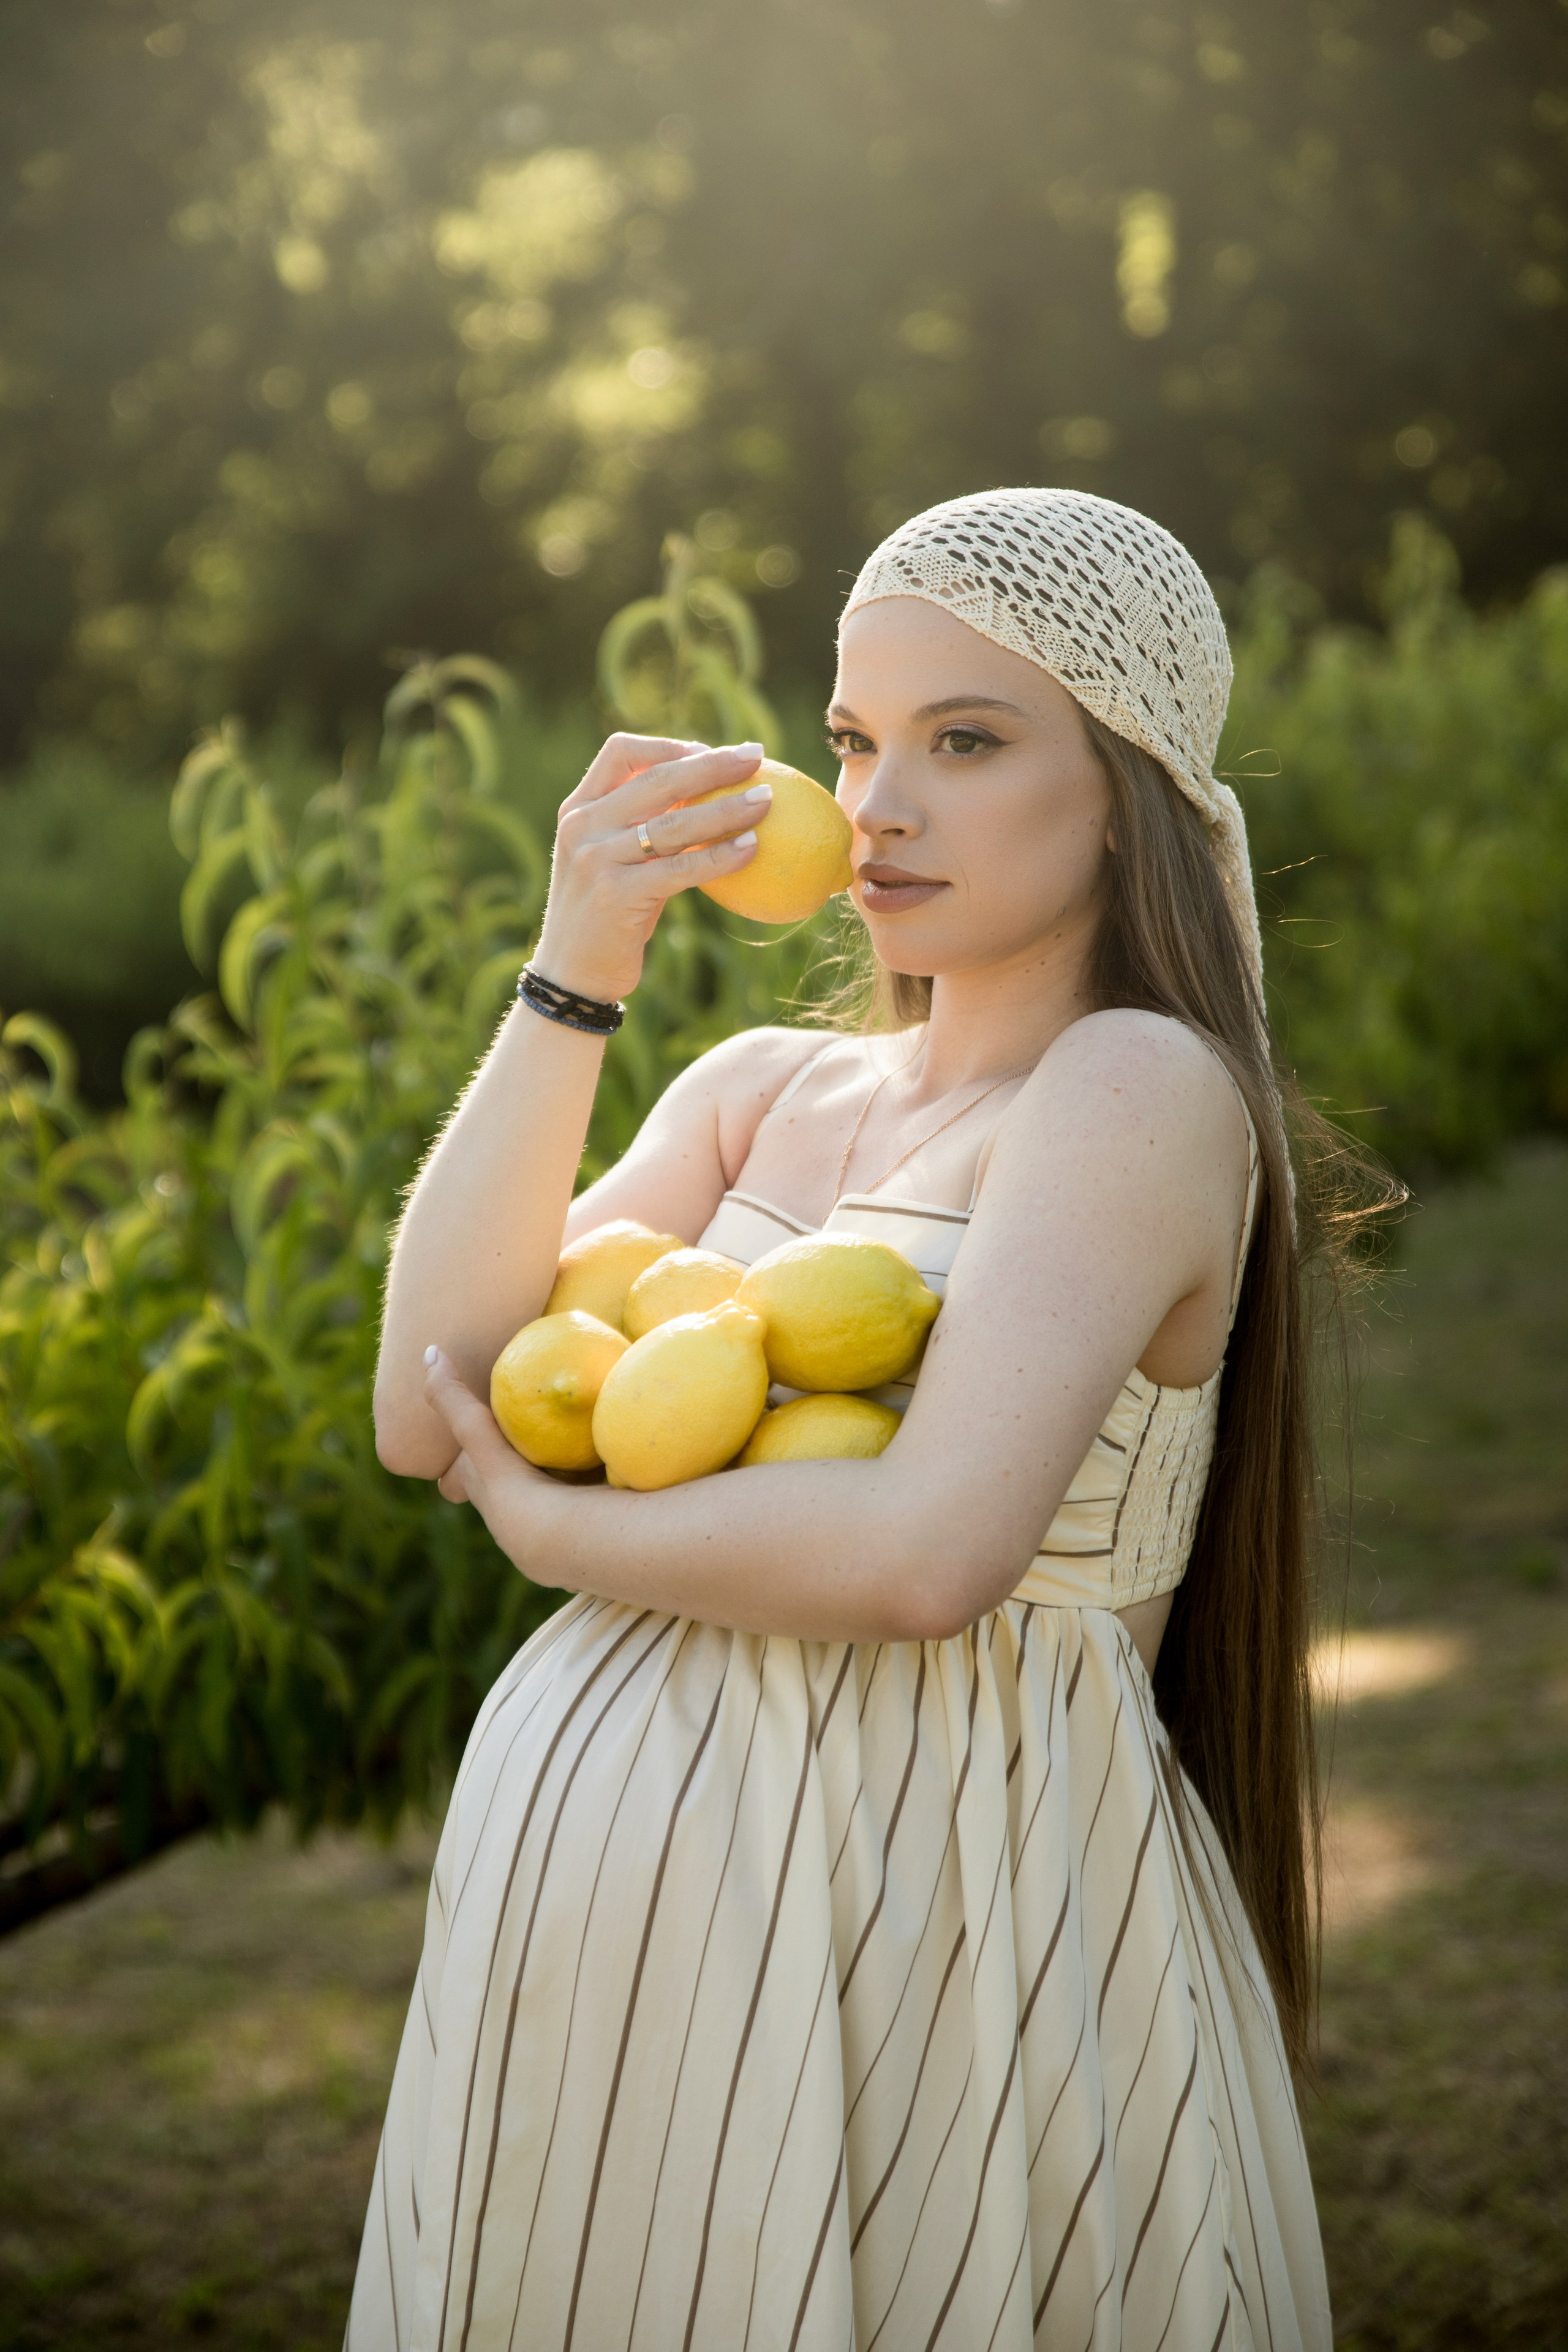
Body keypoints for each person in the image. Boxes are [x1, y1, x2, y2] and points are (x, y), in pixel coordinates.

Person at [349, 488, 1340, 2350]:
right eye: (854, 743)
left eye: (966, 743)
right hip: (607, 1947)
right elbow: (436, 1399)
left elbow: (925, 1557)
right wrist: (580, 970)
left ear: (1128, 781)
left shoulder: (1132, 1089)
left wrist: (552, 1535)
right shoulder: (762, 1091)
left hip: (937, 1919)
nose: (878, 808)